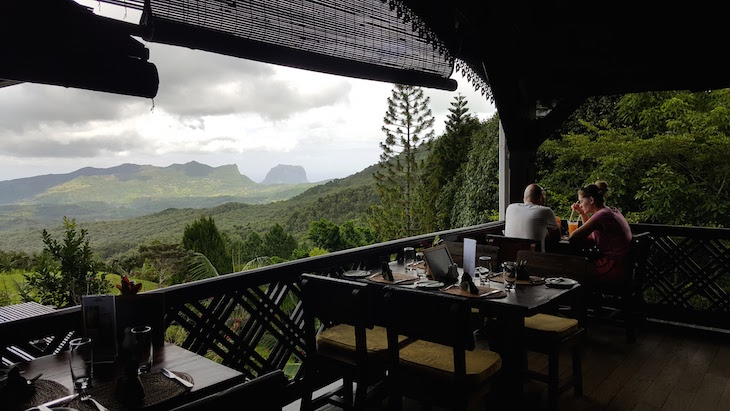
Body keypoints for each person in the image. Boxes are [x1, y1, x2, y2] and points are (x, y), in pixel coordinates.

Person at [569, 181, 632, 279]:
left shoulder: (602, 215)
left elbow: (573, 237)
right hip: (624, 266)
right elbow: (589, 231)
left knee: (571, 268)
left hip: (613, 267)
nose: (580, 205)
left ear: (591, 200)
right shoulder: (611, 210)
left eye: (581, 201)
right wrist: (582, 213)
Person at [504, 183, 560, 252]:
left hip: (510, 258)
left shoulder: (510, 208)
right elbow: (557, 237)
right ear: (541, 198)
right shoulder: (546, 211)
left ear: (524, 198)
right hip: (535, 260)